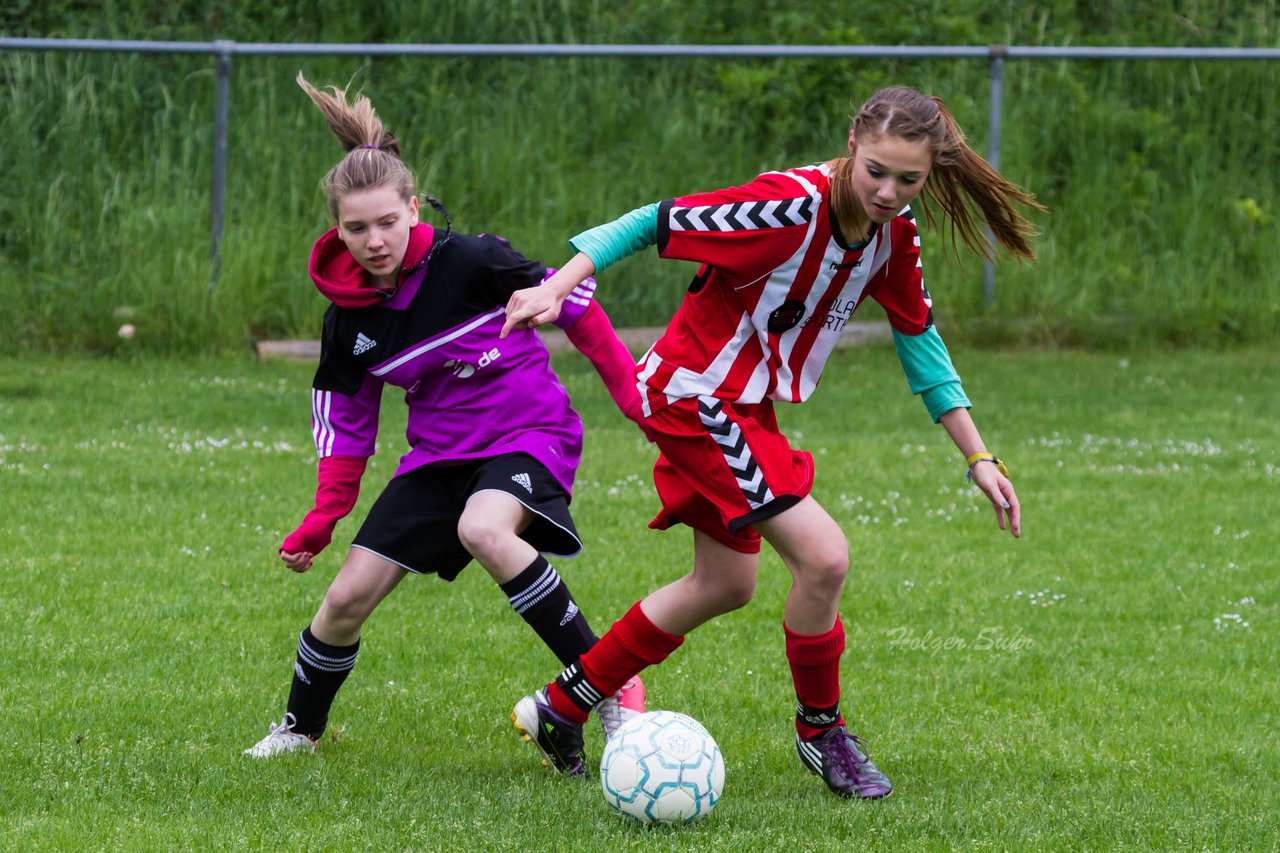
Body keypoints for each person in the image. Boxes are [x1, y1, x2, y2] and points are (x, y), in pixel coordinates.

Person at [501, 86, 1041, 798]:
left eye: (908, 179)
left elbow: (920, 340)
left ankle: (560, 706)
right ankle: (822, 733)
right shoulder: (783, 208)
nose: (887, 191)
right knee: (824, 557)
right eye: (876, 170)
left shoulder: (894, 234)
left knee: (723, 585)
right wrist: (557, 284)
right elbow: (650, 222)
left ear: (930, 174)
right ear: (853, 143)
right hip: (697, 397)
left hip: (742, 408)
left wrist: (977, 455)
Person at [245, 73, 648, 761]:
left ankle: (611, 693)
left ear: (412, 205)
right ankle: (299, 729)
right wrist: (323, 516)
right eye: (356, 227)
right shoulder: (349, 321)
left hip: (528, 435)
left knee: (484, 527)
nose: (374, 240)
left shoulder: (474, 261)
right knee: (346, 595)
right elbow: (348, 425)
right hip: (438, 458)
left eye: (388, 222)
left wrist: (640, 404)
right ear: (336, 229)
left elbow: (577, 305)